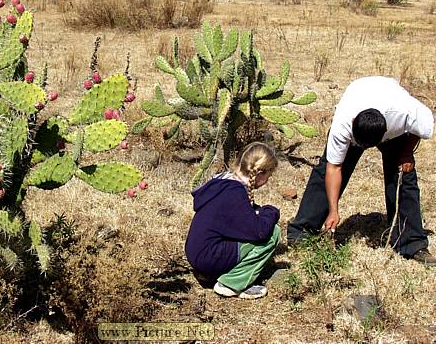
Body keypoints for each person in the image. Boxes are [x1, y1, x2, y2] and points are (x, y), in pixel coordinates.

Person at [287, 76, 435, 266]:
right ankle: (302, 232)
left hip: (391, 114)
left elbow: (422, 126)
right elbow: (334, 168)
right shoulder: (343, 123)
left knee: (403, 173)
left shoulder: (404, 113)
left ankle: (412, 243)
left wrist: (406, 153)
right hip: (360, 96)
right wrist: (334, 210)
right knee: (326, 170)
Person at [185, 142, 280, 299]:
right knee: (273, 233)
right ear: (259, 173)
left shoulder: (223, 181)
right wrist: (271, 211)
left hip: (197, 253)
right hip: (207, 257)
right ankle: (231, 284)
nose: (267, 181)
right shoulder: (234, 193)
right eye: (268, 176)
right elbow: (259, 232)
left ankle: (212, 274)